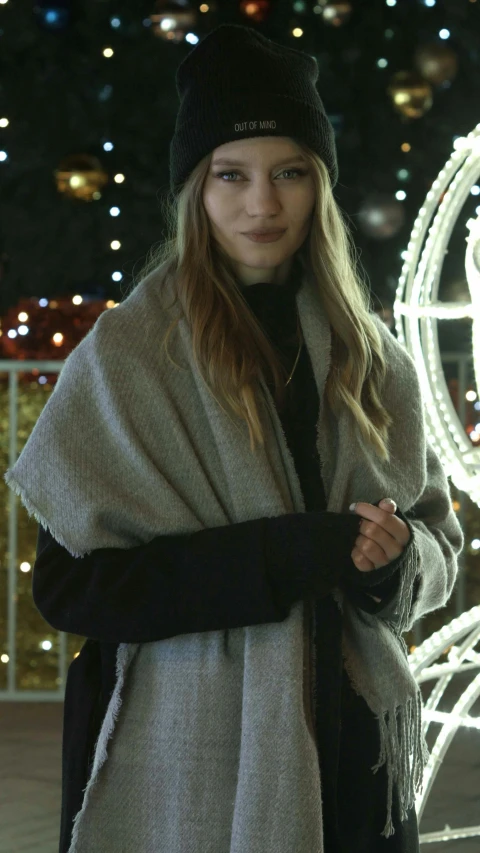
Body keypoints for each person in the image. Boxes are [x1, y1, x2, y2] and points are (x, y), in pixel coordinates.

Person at [5, 24, 464, 853]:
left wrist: (393, 561)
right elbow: (72, 589)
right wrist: (280, 556)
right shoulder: (129, 356)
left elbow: (438, 547)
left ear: (320, 187)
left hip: (351, 757)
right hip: (184, 761)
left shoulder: (372, 359)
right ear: (195, 189)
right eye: (232, 175)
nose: (263, 203)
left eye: (290, 172)